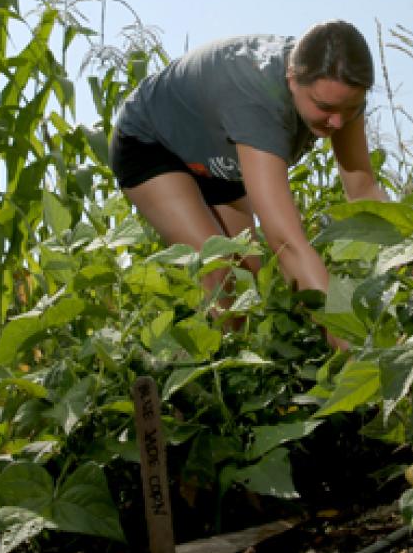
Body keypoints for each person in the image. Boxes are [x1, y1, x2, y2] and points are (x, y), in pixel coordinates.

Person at [108, 21, 388, 341]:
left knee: (249, 283)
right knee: (222, 280)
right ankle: (186, 375)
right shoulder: (257, 102)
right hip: (153, 145)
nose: (337, 122)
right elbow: (287, 243)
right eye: (324, 107)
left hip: (219, 154)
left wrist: (409, 250)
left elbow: (363, 189)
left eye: (349, 109)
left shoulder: (338, 94)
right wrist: (351, 346)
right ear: (292, 78)